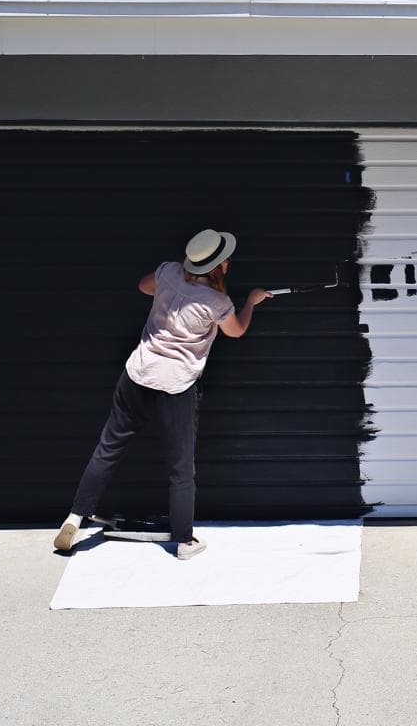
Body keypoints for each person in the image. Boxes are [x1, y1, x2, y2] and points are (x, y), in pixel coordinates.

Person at [53, 228, 271, 559]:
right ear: (219, 266)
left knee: (108, 448)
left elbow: (144, 287)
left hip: (138, 373)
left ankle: (75, 515)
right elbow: (237, 331)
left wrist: (169, 295)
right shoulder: (217, 303)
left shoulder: (168, 271)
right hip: (176, 385)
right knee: (181, 467)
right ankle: (184, 542)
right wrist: (252, 302)